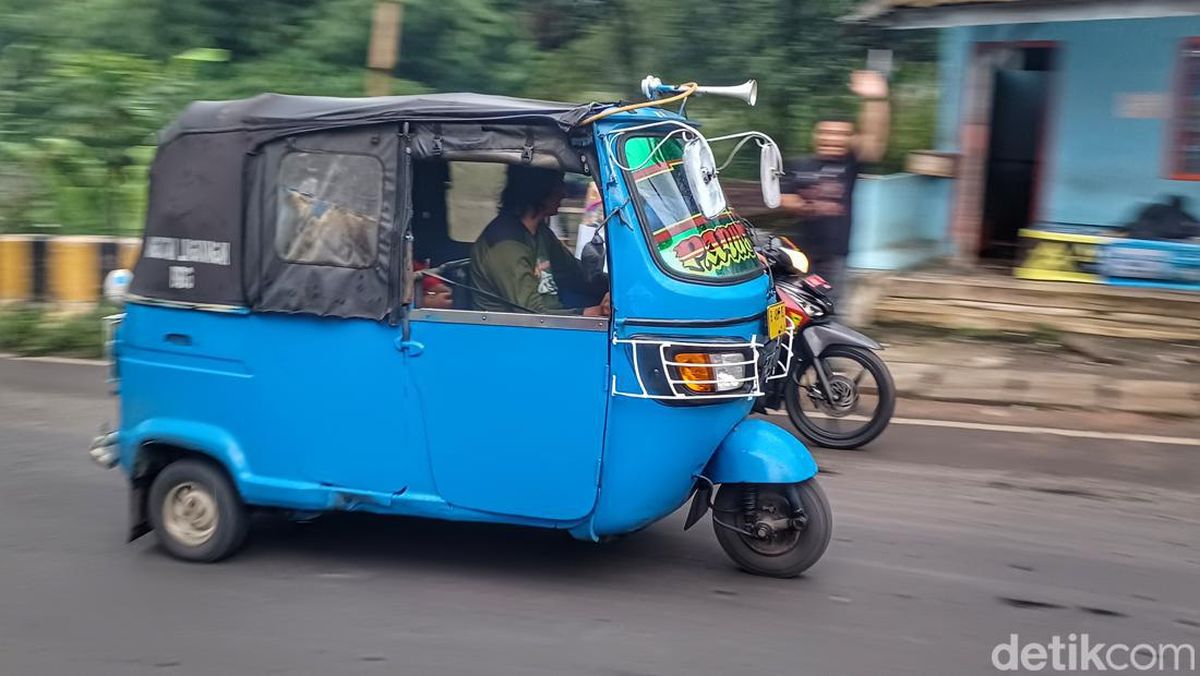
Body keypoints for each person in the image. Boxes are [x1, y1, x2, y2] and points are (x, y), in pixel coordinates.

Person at [778, 70, 890, 306]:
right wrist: (792, 202)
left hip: (836, 255)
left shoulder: (849, 164)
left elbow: (874, 141)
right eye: (828, 132)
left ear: (850, 138)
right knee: (798, 308)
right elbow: (782, 197)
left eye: (841, 134)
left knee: (832, 310)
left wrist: (875, 100)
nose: (833, 138)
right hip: (801, 254)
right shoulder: (799, 164)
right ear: (816, 134)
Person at [470, 165, 610, 316]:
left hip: (551, 328)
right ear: (539, 188)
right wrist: (590, 313)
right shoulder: (505, 244)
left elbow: (576, 276)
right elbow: (532, 315)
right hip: (516, 335)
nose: (564, 192)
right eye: (558, 183)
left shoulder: (541, 234)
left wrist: (616, 289)